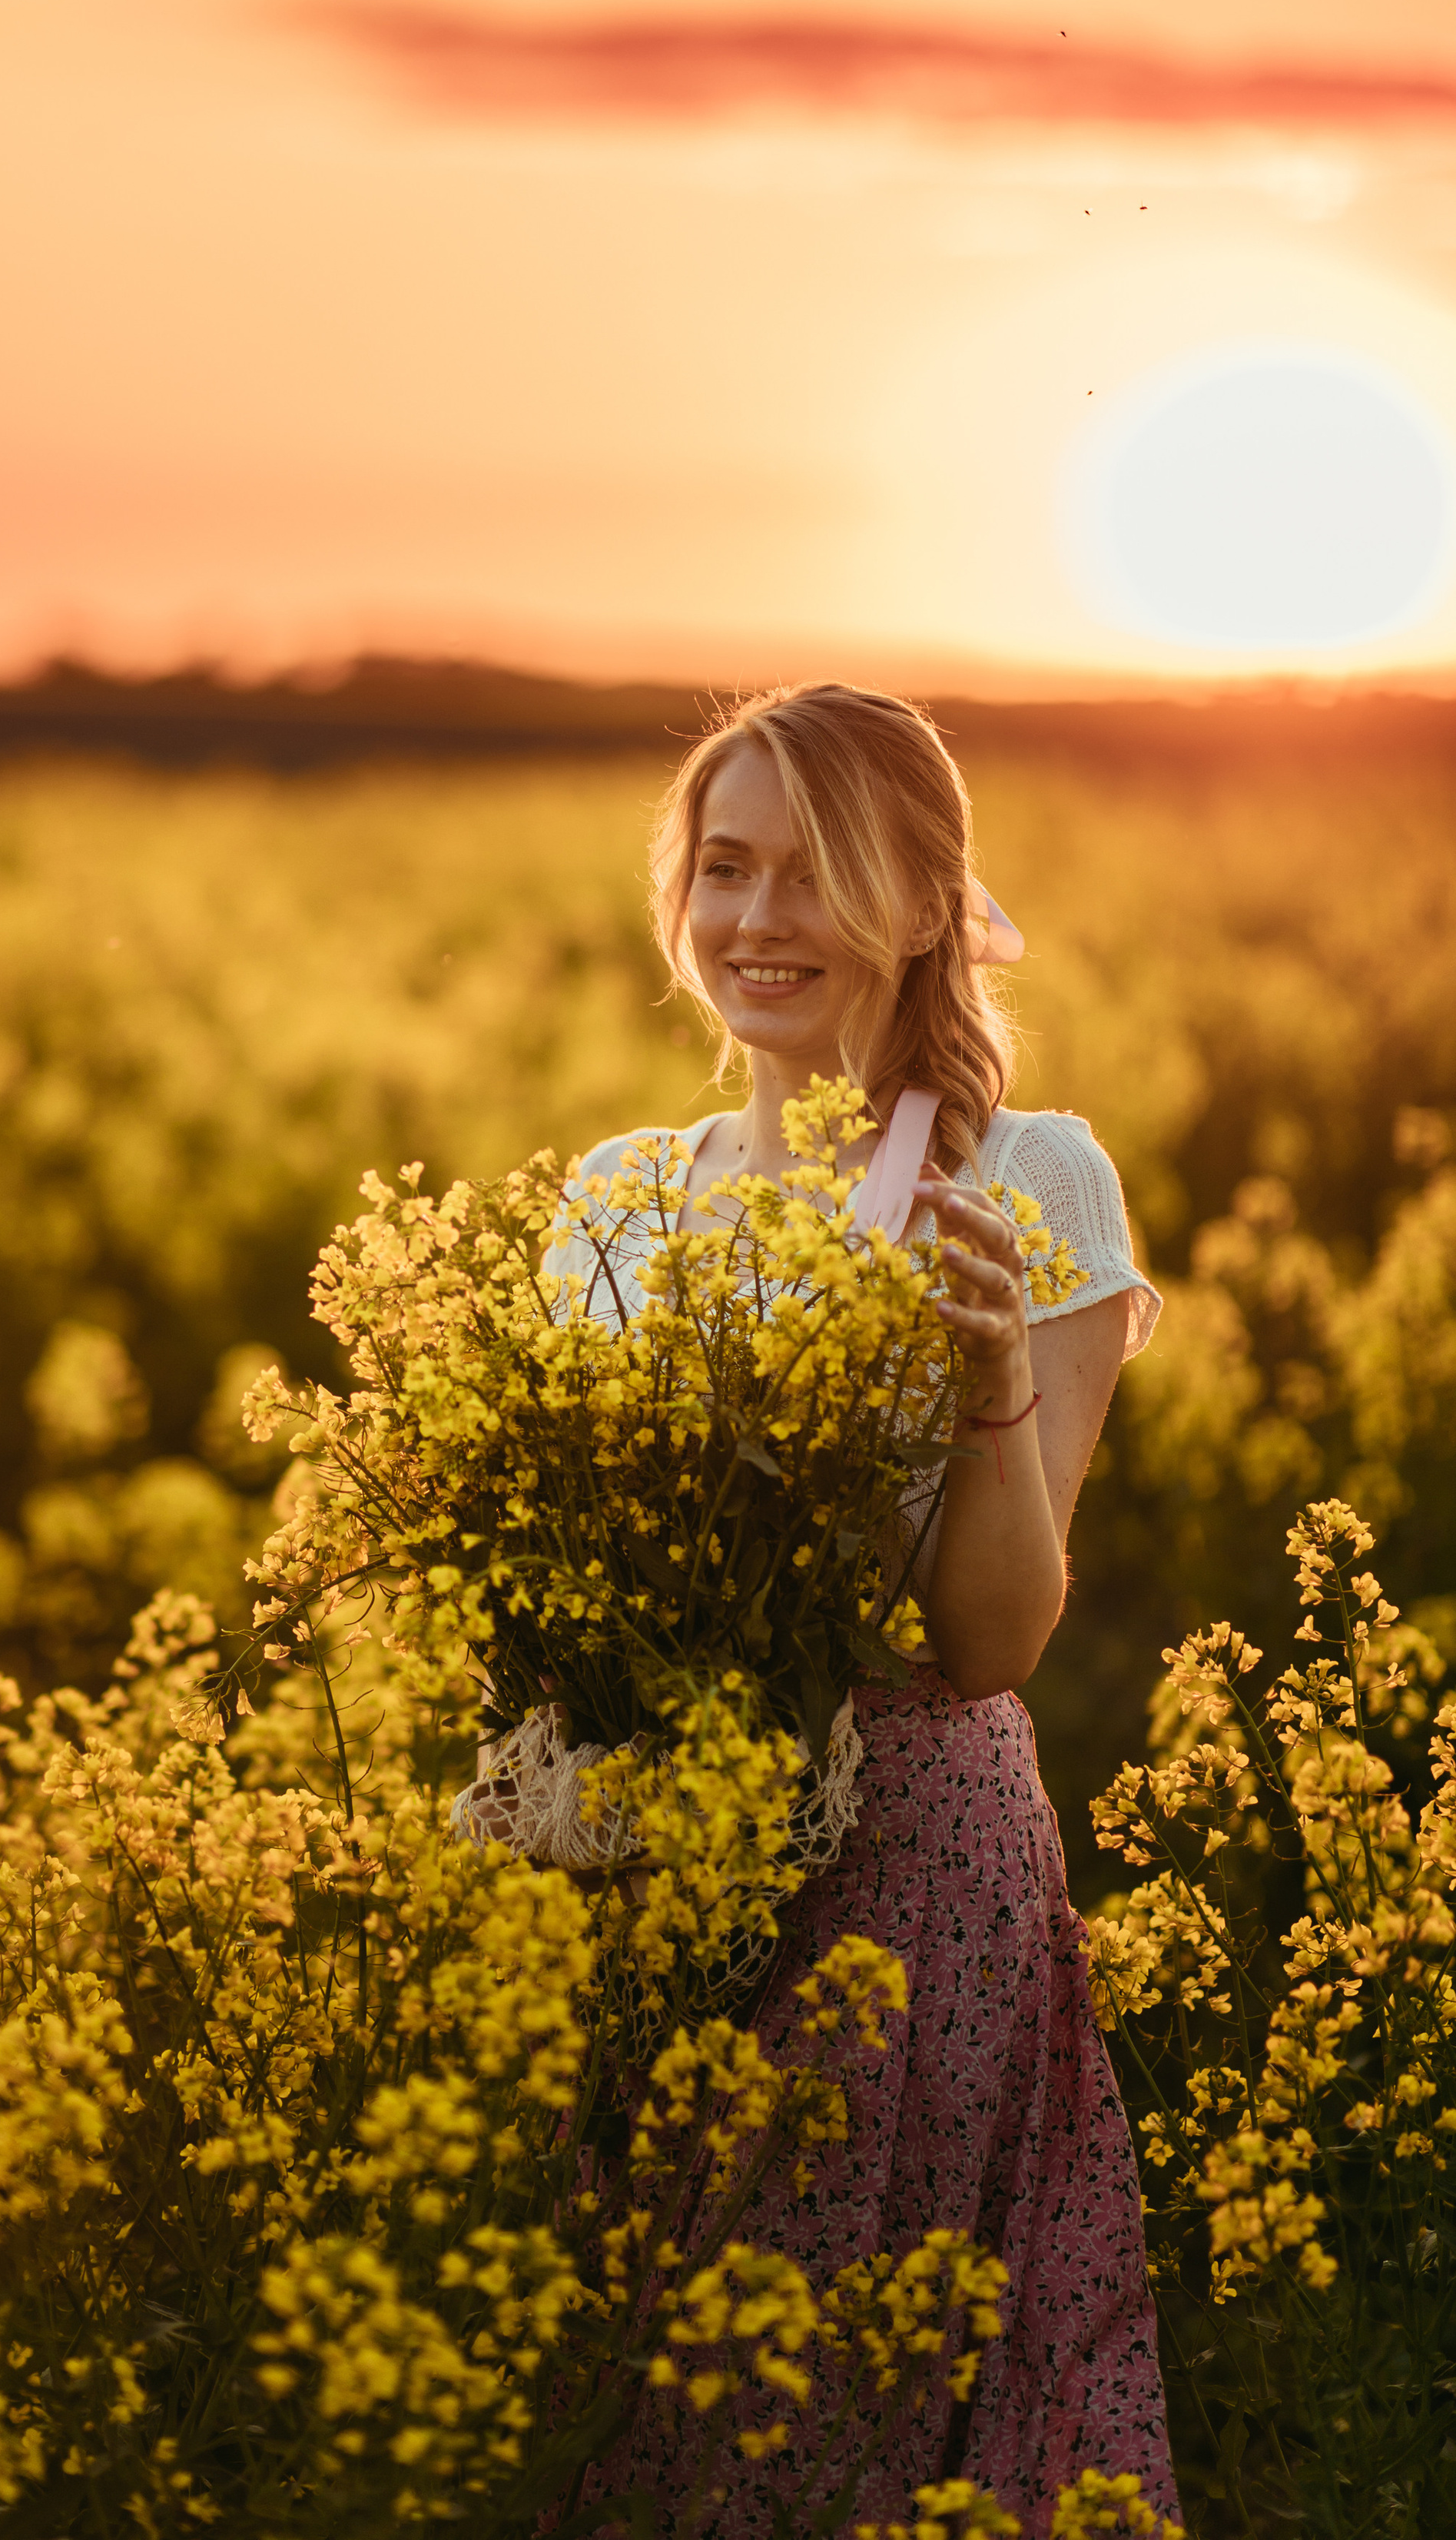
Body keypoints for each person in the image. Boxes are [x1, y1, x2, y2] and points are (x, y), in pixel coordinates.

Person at [549, 683, 1177, 2537]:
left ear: (920, 902)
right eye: (721, 868)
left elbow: (992, 1644)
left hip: (910, 1874)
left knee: (884, 2418)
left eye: (810, 872)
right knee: (655, 2422)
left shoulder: (1026, 1178)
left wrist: (982, 1380)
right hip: (652, 1879)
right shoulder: (615, 1204)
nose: (756, 919)